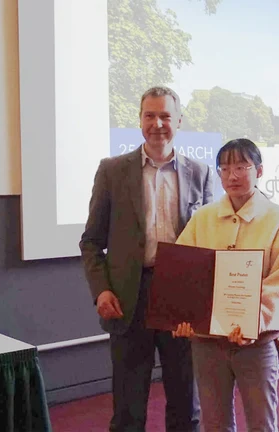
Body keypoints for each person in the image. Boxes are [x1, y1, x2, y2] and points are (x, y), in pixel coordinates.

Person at [79, 86, 213, 432]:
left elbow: (213, 242)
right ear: (139, 120)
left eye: (165, 116)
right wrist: (101, 290)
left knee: (186, 402)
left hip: (182, 299)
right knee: (128, 407)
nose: (157, 124)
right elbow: (91, 241)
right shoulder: (112, 171)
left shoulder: (201, 173)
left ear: (178, 121)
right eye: (149, 115)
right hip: (127, 298)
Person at [173, 138, 279, 431]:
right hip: (207, 342)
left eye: (242, 166)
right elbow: (182, 274)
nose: (232, 175)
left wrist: (253, 321)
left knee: (261, 423)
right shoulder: (202, 218)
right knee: (213, 424)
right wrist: (183, 316)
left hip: (257, 341)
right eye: (225, 168)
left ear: (259, 170)